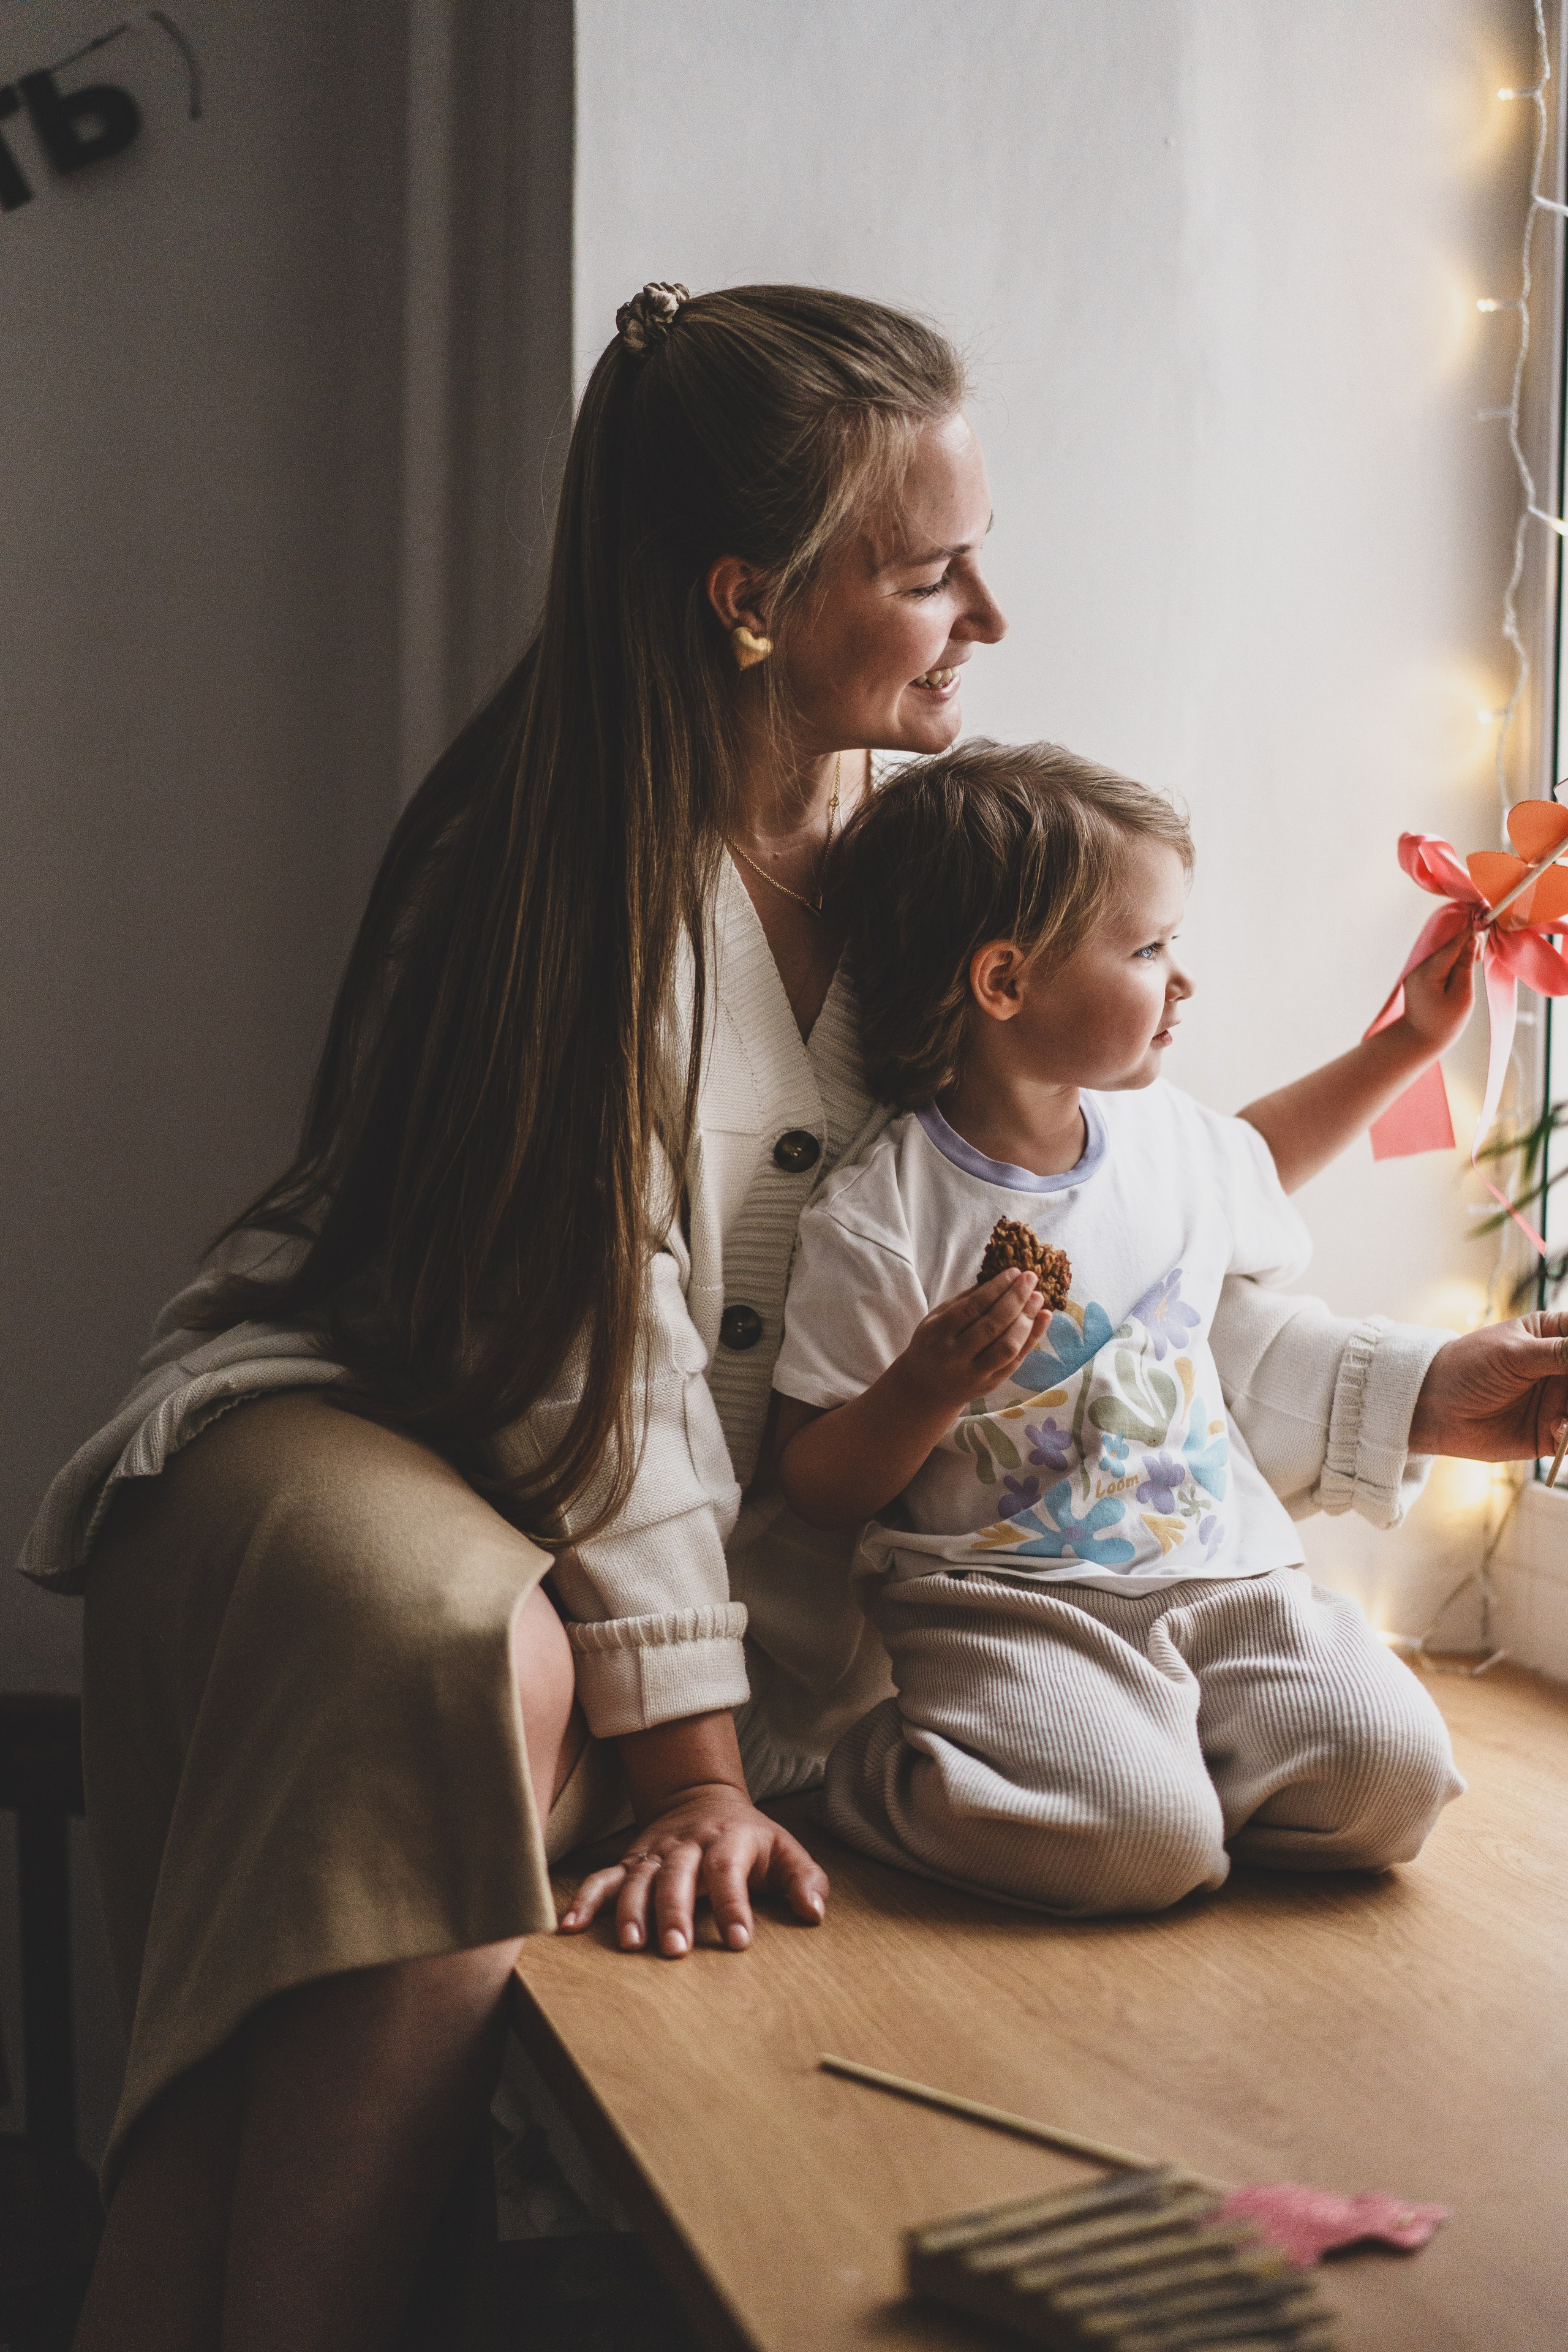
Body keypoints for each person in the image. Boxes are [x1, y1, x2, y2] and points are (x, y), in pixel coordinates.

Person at [20, 281, 1567, 2351]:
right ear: (750, 596)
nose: (991, 616)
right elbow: (609, 1361)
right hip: (381, 1414)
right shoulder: (544, 879)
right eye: (933, 571)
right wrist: (692, 1773)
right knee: (449, 1647)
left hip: (699, 1472)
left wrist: (1410, 1392)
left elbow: (1083, 1245)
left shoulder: (933, 858)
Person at [772, 741, 1478, 1910]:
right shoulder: (885, 1217)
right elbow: (816, 1483)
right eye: (1149, 950)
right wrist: (924, 1390)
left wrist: (1407, 1045)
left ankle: (1166, 1767)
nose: (1181, 982)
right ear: (1005, 983)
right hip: (1011, 1606)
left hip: (1226, 1579)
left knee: (1394, 1781)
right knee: (1135, 1851)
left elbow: (1261, 1158)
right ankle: (881, 1779)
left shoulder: (1167, 1141)